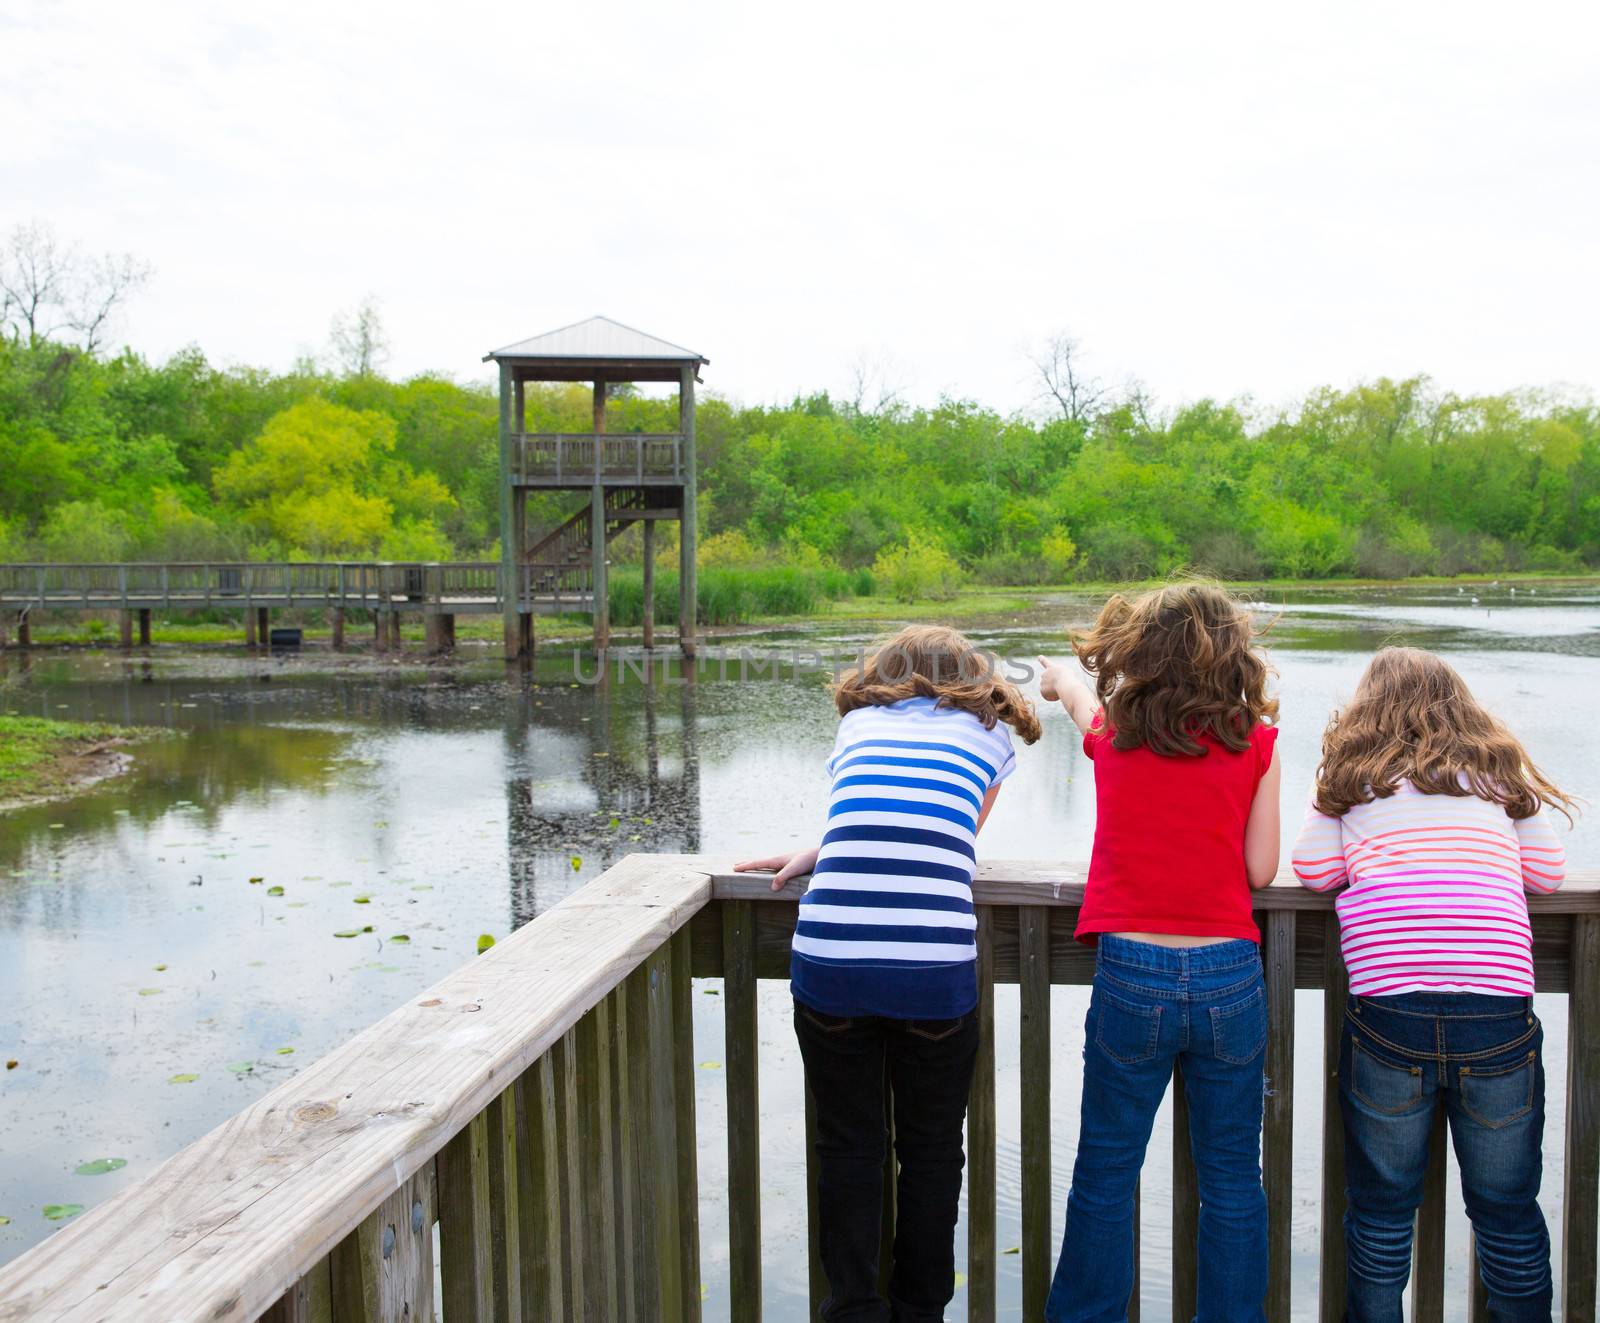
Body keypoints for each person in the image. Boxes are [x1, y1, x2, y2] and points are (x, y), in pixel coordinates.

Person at [733, 624, 1040, 1321]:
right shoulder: (989, 736)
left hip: (832, 957)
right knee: (931, 1153)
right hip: (931, 968)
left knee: (848, 1147)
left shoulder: (858, 723)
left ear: (884, 671)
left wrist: (821, 849)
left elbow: (867, 820)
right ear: (971, 676)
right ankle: (920, 1309)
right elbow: (953, 833)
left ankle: (852, 1306)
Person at [1291, 646, 1573, 1323]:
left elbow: (1312, 870)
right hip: (1496, 1018)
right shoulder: (1496, 773)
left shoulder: (1351, 776)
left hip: (1391, 1017)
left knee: (1383, 1215)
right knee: (1505, 1211)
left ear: (1367, 710)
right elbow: (1548, 873)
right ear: (1461, 706)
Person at [1037, 581, 1281, 1323]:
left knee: (1107, 1170)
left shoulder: (1117, 735)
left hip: (1133, 971)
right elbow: (1262, 871)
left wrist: (1061, 679)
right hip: (1228, 975)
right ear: (1231, 657)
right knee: (1234, 1178)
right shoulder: (1255, 743)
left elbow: (1082, 705)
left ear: (1139, 655)